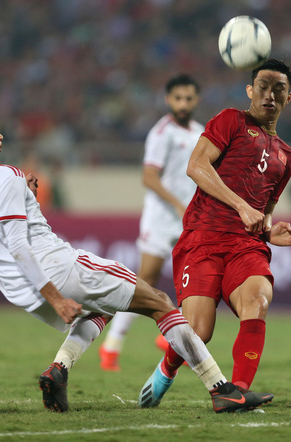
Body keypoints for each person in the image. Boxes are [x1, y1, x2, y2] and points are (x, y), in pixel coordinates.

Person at [0, 104, 275, 413]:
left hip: (16, 287)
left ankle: (58, 370)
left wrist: (27, 200)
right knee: (159, 301)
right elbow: (19, 244)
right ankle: (221, 390)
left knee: (103, 307)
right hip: (54, 270)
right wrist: (57, 299)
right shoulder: (8, 175)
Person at [138, 59, 291, 408]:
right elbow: (196, 166)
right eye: (263, 86)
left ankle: (237, 392)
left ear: (288, 98)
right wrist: (241, 205)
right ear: (250, 91)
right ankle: (167, 368)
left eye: (279, 89)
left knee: (258, 298)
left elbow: (262, 216)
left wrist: (270, 232)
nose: (270, 95)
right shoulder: (230, 120)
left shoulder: (287, 157)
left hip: (244, 245)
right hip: (202, 237)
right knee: (199, 333)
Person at [99, 74, 204, 371]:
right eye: (178, 98)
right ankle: (111, 346)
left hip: (188, 218)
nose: (183, 103)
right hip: (161, 219)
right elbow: (148, 176)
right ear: (168, 100)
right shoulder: (161, 133)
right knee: (144, 284)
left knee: (201, 277)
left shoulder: (200, 132)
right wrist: (177, 206)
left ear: (196, 100)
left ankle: (175, 333)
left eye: (189, 98)